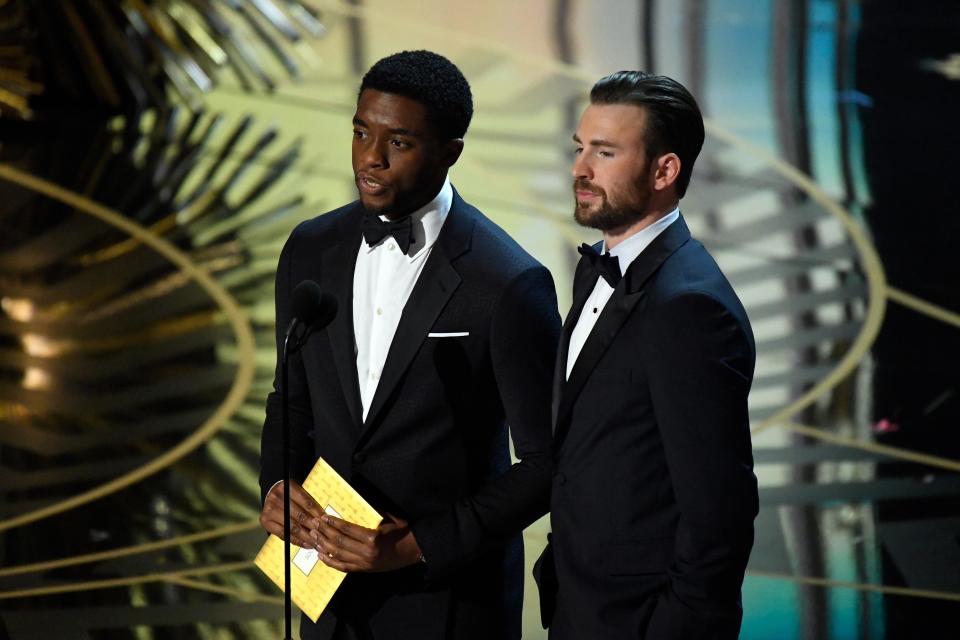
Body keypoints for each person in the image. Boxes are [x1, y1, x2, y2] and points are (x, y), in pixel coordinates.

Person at [258, 50, 560, 640]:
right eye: (361, 132)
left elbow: (549, 464)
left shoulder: (507, 282)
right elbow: (290, 398)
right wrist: (277, 484)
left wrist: (418, 544)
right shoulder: (310, 248)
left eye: (399, 142)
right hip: (328, 599)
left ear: (451, 152)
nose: (370, 158)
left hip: (445, 605)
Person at [534, 70, 759, 639]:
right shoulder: (601, 271)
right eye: (580, 148)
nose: (580, 170)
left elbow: (719, 513)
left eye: (605, 153)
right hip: (580, 605)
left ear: (665, 170)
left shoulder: (687, 306)